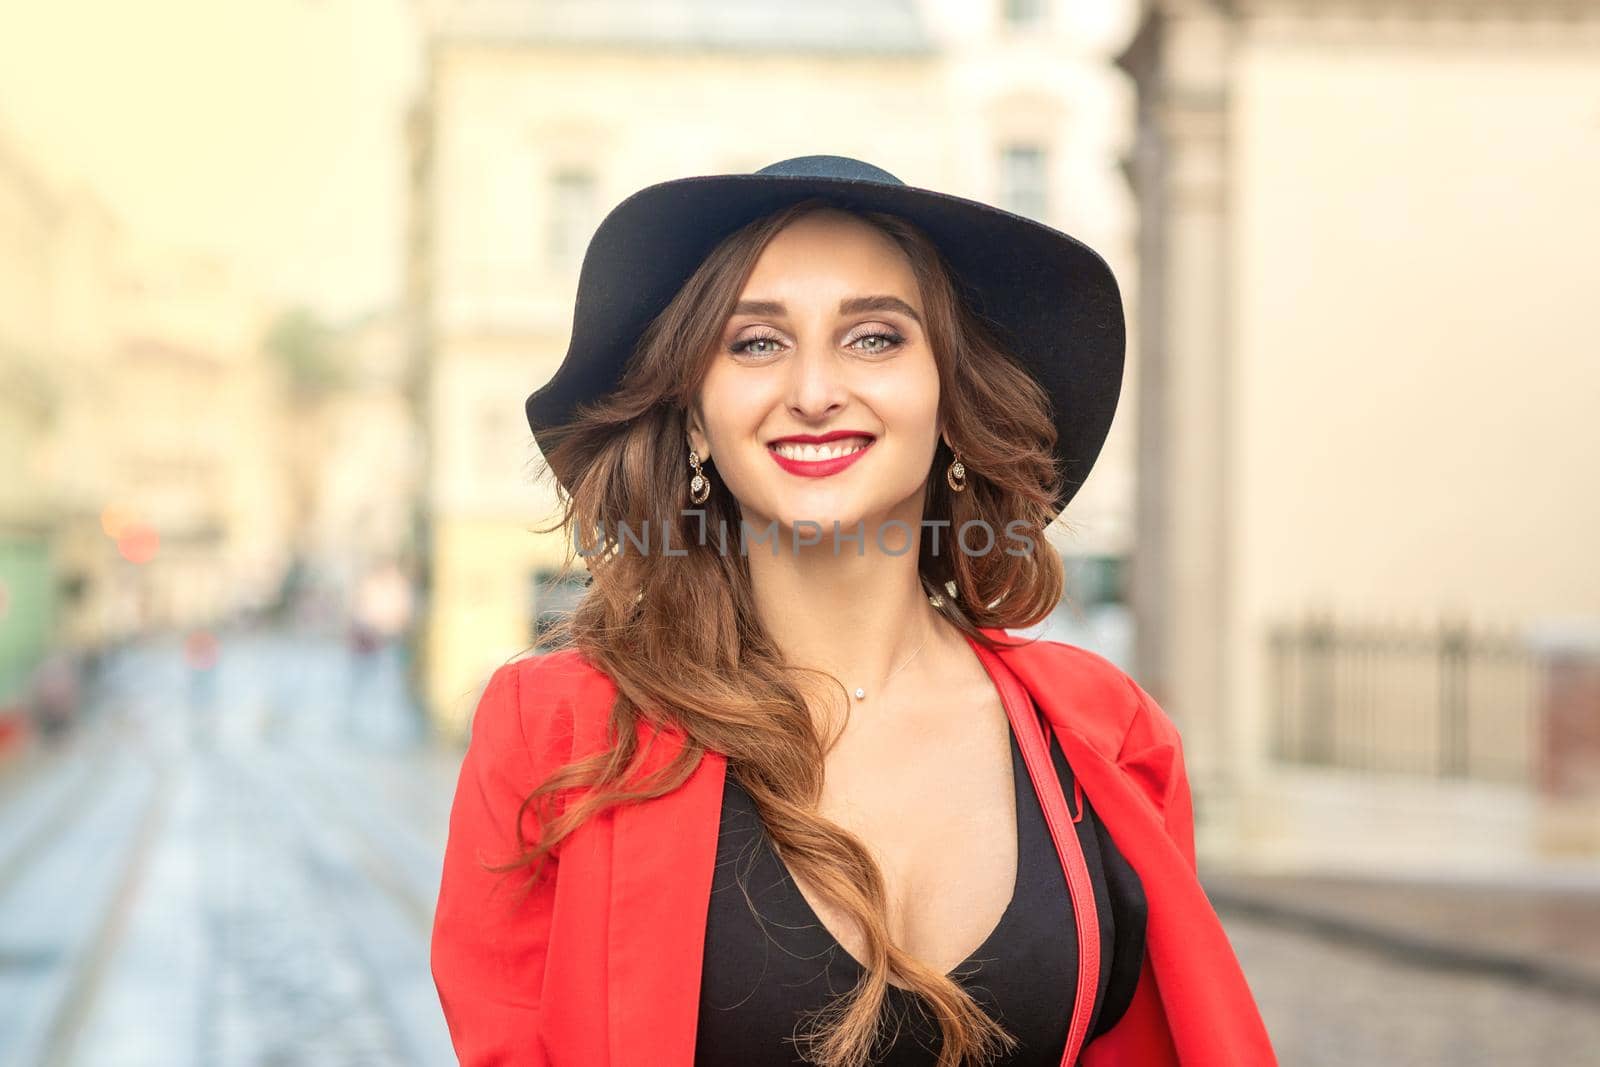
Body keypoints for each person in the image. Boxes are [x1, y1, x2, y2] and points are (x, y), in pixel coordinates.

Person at [429, 155, 1277, 1066]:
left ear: (952, 399)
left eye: (874, 337)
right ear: (698, 422)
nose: (814, 389)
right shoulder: (555, 737)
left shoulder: (1109, 737)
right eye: (755, 342)